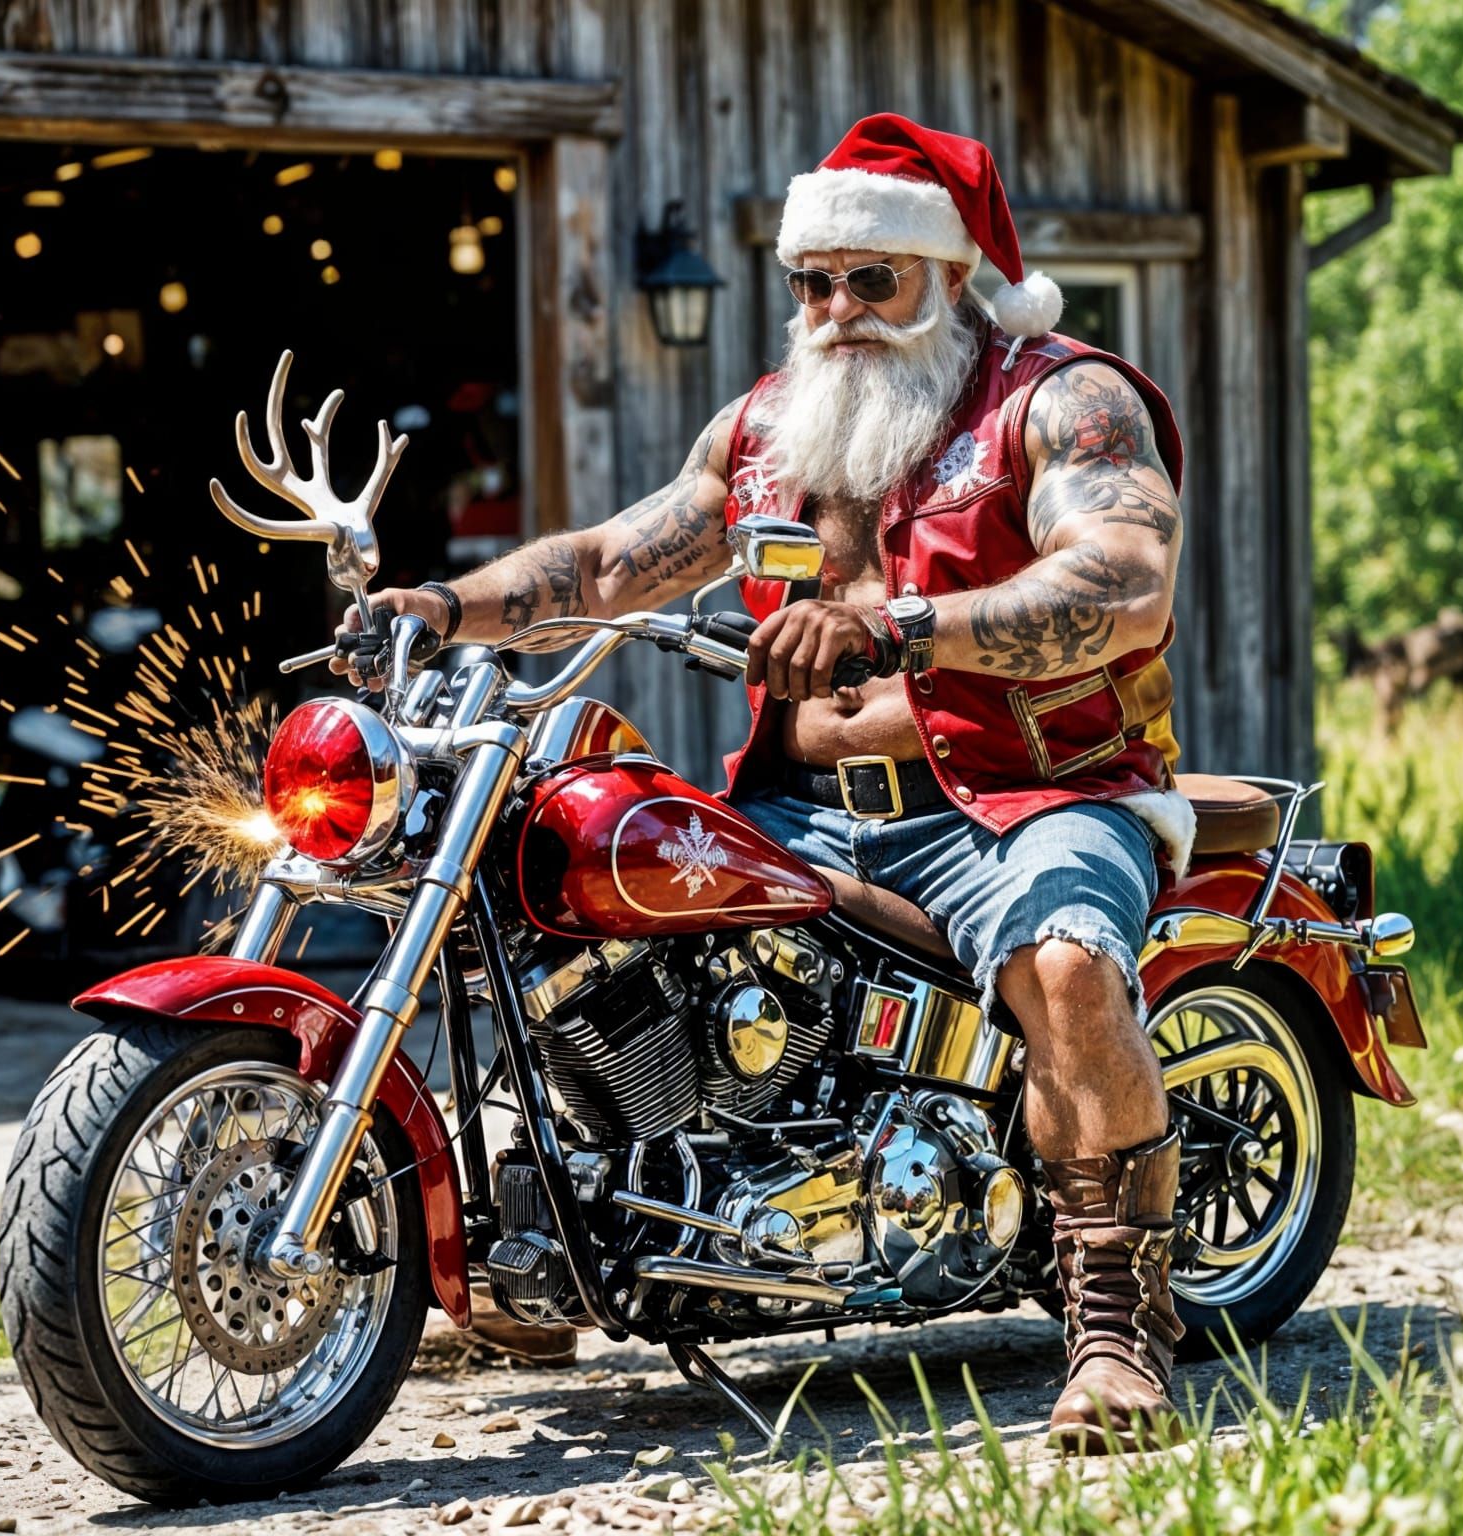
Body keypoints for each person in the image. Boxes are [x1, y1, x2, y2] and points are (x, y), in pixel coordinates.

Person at [338, 114, 1197, 1453]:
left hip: (1022, 800)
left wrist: (902, 628)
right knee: (564, 894)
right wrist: (447, 605)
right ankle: (566, 1229)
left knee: (1068, 961)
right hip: (798, 810)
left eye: (874, 279)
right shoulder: (768, 433)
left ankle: (1114, 1319)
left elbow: (1123, 584)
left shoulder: (1063, 401)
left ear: (951, 275)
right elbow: (612, 566)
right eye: (815, 282)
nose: (839, 310)